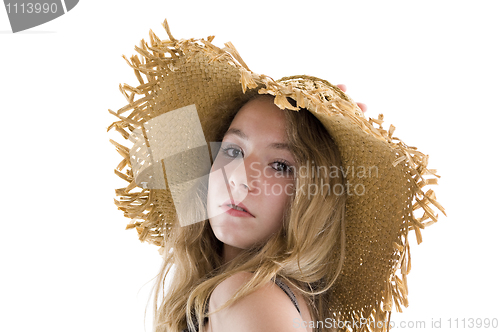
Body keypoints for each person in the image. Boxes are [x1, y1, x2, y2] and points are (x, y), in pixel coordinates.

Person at [108, 20, 445, 332]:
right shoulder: (273, 297)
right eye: (233, 150)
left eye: (281, 165)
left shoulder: (246, 294)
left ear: (316, 196)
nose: (239, 178)